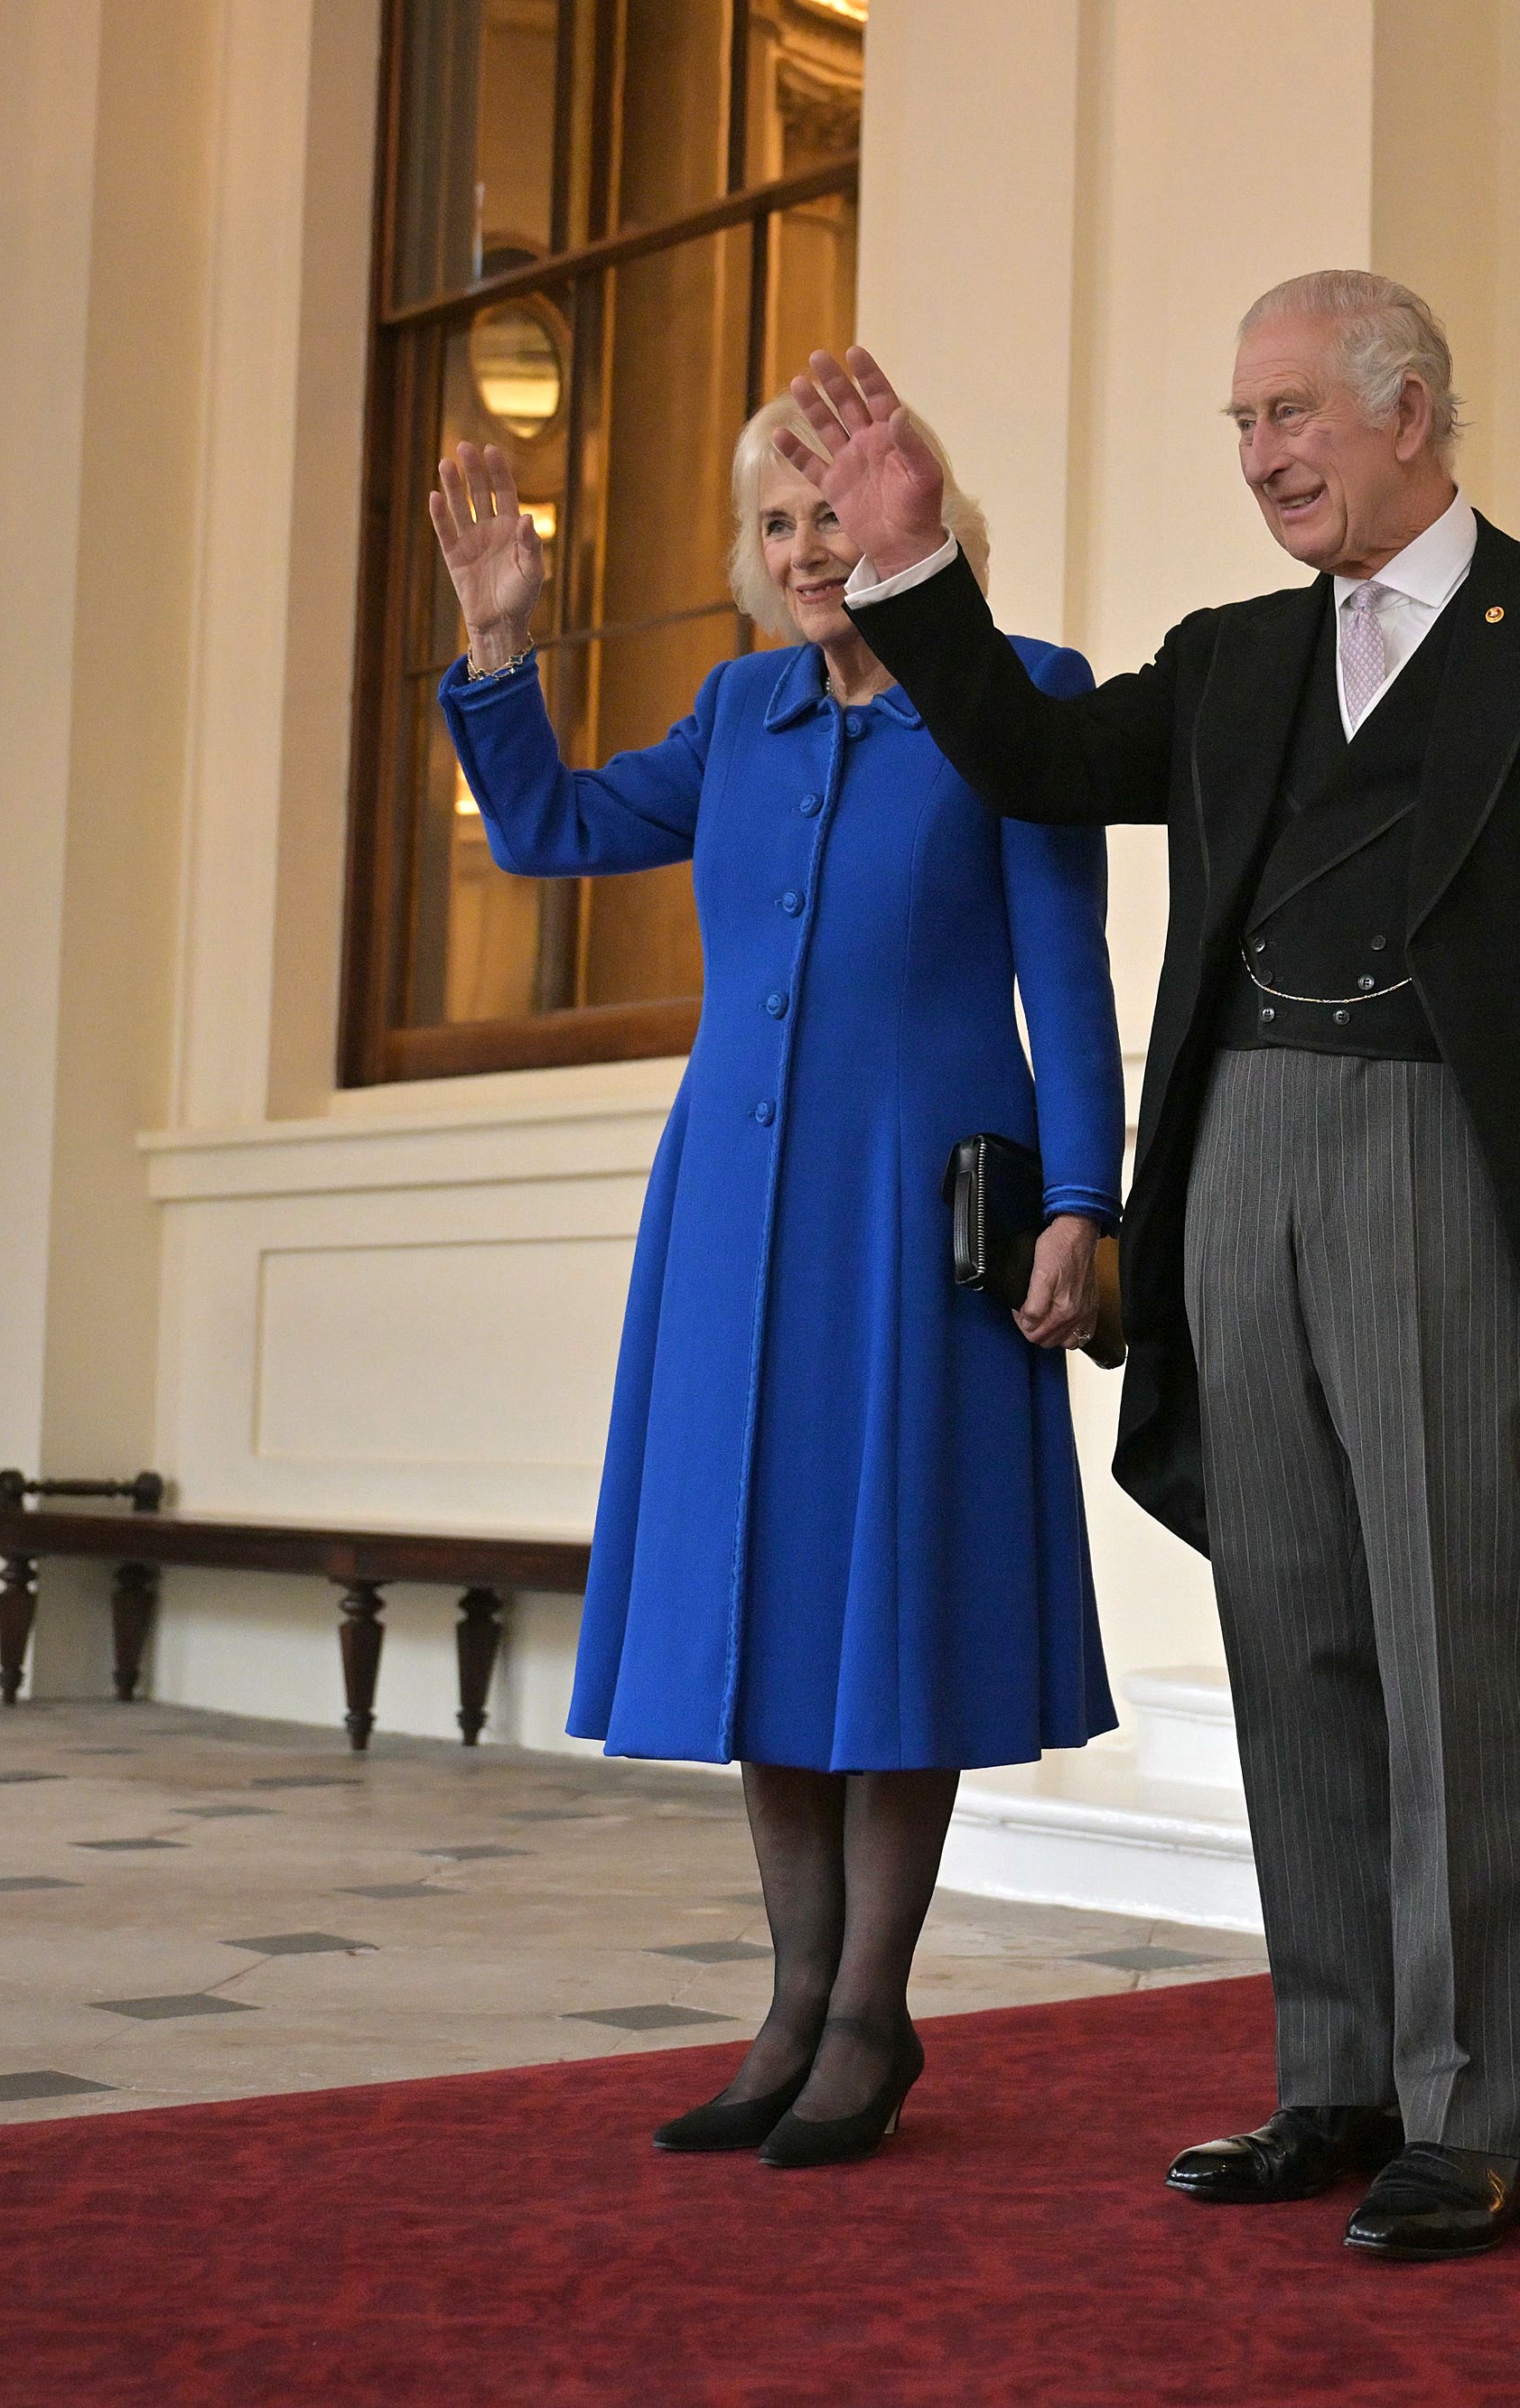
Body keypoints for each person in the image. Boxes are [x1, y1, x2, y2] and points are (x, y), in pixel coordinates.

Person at [781, 271, 1520, 2260]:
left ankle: (1477, 2110)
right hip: (1237, 1173)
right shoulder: (1226, 662)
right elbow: (1034, 764)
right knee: (1291, 1632)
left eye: (1288, 414)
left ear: (1407, 409)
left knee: (1449, 1640)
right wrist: (907, 560)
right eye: (1237, 426)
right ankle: (1337, 2076)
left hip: (1455, 1173)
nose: (1259, 457)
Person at [425, 401, 1123, 2170]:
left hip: (919, 1215)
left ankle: (872, 2012)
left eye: (832, 512)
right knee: (775, 1596)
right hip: (737, 1218)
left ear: (910, 512)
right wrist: (500, 641)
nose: (809, 549)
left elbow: (1071, 974)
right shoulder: (735, 712)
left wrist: (1083, 1200)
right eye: (779, 523)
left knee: (891, 1594)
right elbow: (551, 831)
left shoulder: (1012, 686)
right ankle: (790, 2000)